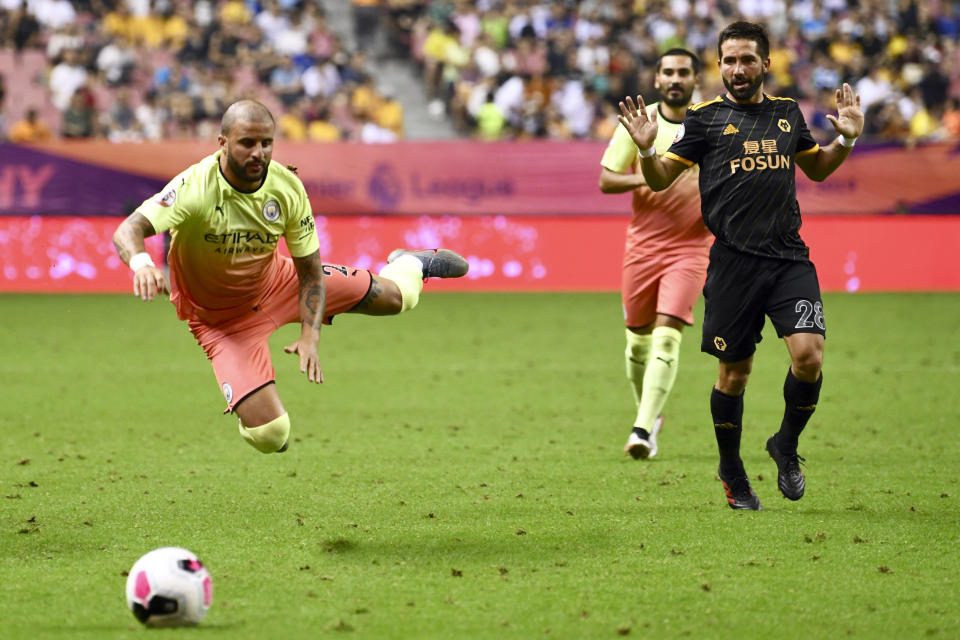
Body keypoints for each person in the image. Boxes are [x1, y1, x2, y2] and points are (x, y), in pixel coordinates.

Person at [112, 99, 468, 455]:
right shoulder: (195, 188)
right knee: (272, 435)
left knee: (398, 298)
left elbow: (311, 273)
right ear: (222, 143)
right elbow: (129, 230)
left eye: (266, 143)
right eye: (247, 143)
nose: (259, 153)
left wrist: (310, 335)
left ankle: (411, 262)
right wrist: (142, 264)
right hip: (222, 324)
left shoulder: (287, 188)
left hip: (279, 283)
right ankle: (252, 406)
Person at [616, 21, 863, 510]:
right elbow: (661, 179)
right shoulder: (704, 120)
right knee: (734, 376)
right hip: (732, 266)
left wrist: (847, 142)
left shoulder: (788, 114)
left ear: (766, 64)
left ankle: (786, 445)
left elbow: (814, 166)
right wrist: (646, 148)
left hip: (789, 258)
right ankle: (732, 471)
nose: (737, 69)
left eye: (747, 59)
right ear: (719, 65)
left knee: (809, 356)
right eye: (729, 60)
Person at [598, 49, 712, 460]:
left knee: (667, 335)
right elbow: (606, 181)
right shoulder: (640, 121)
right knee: (637, 347)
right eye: (668, 72)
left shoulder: (710, 121)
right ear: (657, 79)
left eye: (684, 72)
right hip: (644, 246)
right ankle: (650, 412)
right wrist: (646, 179)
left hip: (692, 246)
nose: (676, 78)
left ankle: (643, 430)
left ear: (695, 79)